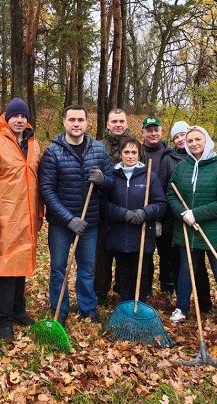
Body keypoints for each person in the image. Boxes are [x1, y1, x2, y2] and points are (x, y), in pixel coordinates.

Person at [39, 104, 115, 326]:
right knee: (58, 268)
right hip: (61, 225)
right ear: (64, 121)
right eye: (72, 119)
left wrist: (103, 181)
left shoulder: (98, 150)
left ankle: (88, 309)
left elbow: (111, 182)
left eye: (80, 120)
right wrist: (68, 219)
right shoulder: (53, 152)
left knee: (87, 269)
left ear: (86, 122)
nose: (76, 124)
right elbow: (47, 190)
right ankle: (59, 309)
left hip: (89, 223)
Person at [0, 98, 43, 341]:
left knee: (22, 265)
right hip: (6, 217)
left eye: (23, 116)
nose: (19, 120)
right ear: (7, 118)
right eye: (15, 116)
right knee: (7, 268)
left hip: (28, 216)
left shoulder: (34, 144)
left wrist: (39, 214)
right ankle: (4, 320)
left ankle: (19, 311)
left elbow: (38, 181)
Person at [167, 126, 217, 325]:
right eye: (190, 141)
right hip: (187, 230)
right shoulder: (182, 167)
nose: (194, 143)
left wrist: (195, 214)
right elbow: (171, 193)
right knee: (186, 271)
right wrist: (183, 213)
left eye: (198, 139)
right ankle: (181, 308)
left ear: (207, 141)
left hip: (215, 232)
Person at [103, 137, 166, 302]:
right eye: (126, 152)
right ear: (120, 154)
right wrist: (122, 213)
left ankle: (140, 303)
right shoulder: (112, 175)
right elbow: (105, 204)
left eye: (134, 152)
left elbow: (160, 203)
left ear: (139, 154)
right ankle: (126, 303)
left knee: (141, 271)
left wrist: (144, 212)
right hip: (119, 233)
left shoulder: (149, 176)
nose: (130, 156)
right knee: (123, 271)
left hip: (142, 233)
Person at [158, 121, 211, 312]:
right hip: (174, 219)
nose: (181, 139)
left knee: (198, 266)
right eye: (177, 137)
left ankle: (204, 303)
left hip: (198, 219)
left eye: (183, 135)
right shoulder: (168, 159)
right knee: (176, 263)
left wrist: (196, 213)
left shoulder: (203, 158)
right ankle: (181, 303)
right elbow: (164, 188)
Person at [94, 108, 130, 305]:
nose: (118, 124)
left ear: (126, 124)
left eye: (121, 121)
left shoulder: (133, 146)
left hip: (126, 207)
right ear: (107, 124)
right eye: (114, 121)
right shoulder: (98, 146)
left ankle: (123, 291)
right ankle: (100, 292)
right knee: (101, 253)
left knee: (125, 252)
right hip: (101, 208)